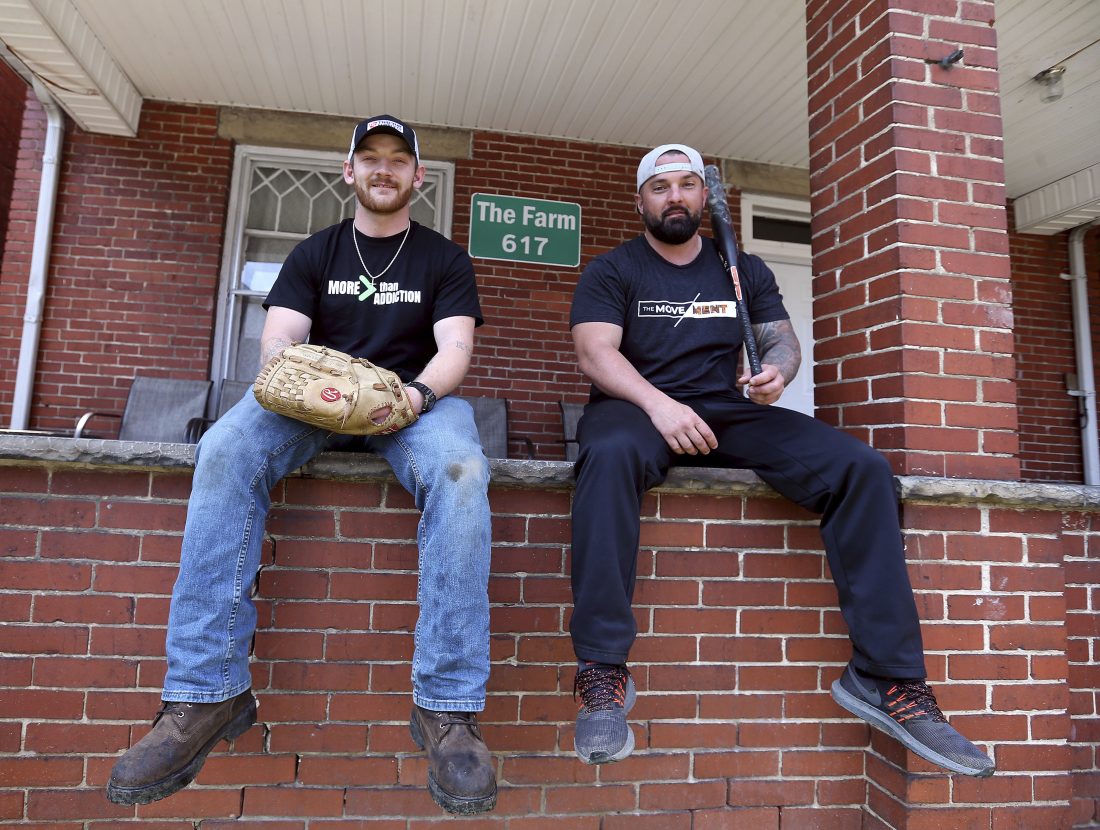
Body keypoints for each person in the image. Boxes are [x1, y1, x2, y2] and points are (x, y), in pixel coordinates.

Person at [565, 143, 995, 779]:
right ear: (641, 202)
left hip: (724, 409)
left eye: (687, 184)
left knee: (861, 469)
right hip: (635, 407)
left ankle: (887, 677)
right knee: (607, 454)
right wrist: (659, 406)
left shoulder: (742, 268)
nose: (675, 196)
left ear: (704, 197)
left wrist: (777, 373)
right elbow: (595, 352)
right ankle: (602, 673)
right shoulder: (613, 269)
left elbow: (781, 340)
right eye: (660, 187)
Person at [107, 115, 497, 815]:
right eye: (370, 158)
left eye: (398, 159)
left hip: (413, 404)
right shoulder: (315, 252)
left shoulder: (444, 259)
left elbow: (455, 349)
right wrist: (314, 389)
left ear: (418, 176)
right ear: (349, 171)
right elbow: (280, 340)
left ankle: (447, 709)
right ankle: (206, 692)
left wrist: (411, 397)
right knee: (224, 450)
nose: (383, 169)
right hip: (316, 400)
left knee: (462, 472)